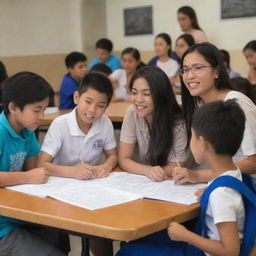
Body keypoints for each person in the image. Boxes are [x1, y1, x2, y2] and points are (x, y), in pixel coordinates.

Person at [116, 99, 248, 256]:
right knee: (140, 240)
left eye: (192, 136)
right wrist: (209, 192)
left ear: (203, 143)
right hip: (203, 241)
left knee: (129, 251)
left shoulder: (221, 195)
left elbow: (230, 251)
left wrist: (186, 236)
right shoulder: (233, 174)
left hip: (201, 251)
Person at [38, 72, 117, 256]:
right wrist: (72, 172)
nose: (92, 110)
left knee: (102, 228)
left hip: (90, 187)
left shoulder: (104, 123)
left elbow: (113, 155)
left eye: (100, 105)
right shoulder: (61, 124)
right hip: (59, 189)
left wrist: (106, 165)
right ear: (76, 97)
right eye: (88, 102)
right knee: (59, 242)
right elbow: (42, 164)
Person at [0, 71, 65, 256]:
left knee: (59, 235)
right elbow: (31, 174)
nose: (42, 116)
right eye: (37, 110)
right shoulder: (1, 132)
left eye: (44, 109)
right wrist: (28, 177)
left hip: (17, 213)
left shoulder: (27, 131)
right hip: (3, 226)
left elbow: (33, 168)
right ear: (14, 107)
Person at [172, 42, 256, 185]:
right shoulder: (198, 104)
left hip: (246, 189)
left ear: (217, 71)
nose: (189, 76)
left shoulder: (236, 102)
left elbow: (253, 162)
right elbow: (200, 157)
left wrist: (200, 176)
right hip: (223, 183)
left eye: (198, 68)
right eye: (185, 70)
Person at [118, 66, 188, 182]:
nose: (138, 99)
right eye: (134, 92)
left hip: (177, 183)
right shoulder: (132, 113)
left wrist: (152, 171)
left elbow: (176, 167)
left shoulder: (178, 122)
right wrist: (147, 170)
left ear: (161, 95)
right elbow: (123, 158)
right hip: (149, 180)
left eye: (146, 94)